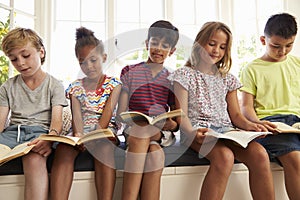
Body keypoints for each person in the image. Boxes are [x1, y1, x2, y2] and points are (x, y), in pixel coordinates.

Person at [168, 21, 275, 200]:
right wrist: (191, 131)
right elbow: (181, 114)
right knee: (224, 157)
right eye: (212, 44)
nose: (216, 50)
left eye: (222, 47)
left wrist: (252, 126)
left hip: (226, 131)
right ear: (199, 43)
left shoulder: (228, 79)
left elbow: (236, 116)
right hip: (198, 131)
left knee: (260, 154)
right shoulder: (184, 74)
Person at [50, 27, 122, 200]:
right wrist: (79, 135)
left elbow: (107, 114)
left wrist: (95, 135)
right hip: (81, 131)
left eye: (93, 60)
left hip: (103, 130)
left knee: (104, 148)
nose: (89, 66)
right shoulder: (75, 87)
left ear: (104, 58)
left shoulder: (114, 84)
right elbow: (77, 115)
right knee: (63, 150)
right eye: (83, 62)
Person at [0, 28, 68, 200]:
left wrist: (50, 139)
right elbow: (1, 123)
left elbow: (56, 123)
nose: (20, 63)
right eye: (13, 59)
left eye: (25, 55)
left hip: (39, 134)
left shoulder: (55, 85)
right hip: (11, 134)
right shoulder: (7, 87)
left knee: (34, 160)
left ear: (41, 52)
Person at [116, 20, 179, 200]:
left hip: (161, 132)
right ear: (147, 44)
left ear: (172, 51)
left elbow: (176, 123)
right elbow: (121, 113)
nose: (158, 49)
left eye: (165, 45)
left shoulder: (172, 79)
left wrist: (168, 123)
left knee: (144, 134)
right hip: (135, 129)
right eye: (154, 43)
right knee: (155, 155)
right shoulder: (129, 71)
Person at [239, 13, 300, 200]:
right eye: (276, 46)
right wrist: (258, 123)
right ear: (263, 40)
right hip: (272, 124)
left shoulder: (297, 64)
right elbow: (246, 107)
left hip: (297, 124)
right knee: (295, 161)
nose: (282, 51)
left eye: (289, 45)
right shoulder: (252, 69)